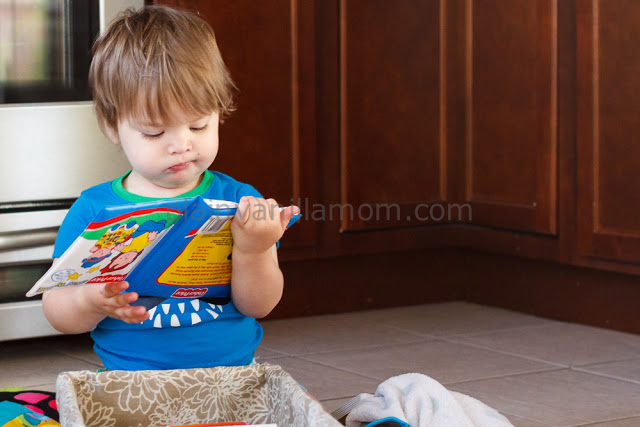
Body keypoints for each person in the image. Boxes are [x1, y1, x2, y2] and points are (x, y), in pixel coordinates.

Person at [41, 5, 298, 371]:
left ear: (219, 112)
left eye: (198, 126)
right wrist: (88, 301)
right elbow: (58, 314)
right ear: (113, 127)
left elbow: (260, 305)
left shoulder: (239, 200)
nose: (181, 145)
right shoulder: (94, 209)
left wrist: (254, 250)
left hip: (230, 379)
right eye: (154, 132)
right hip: (132, 384)